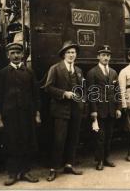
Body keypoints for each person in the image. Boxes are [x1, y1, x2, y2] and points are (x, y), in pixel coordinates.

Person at [0, 42, 41, 186]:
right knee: (12, 143)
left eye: (18, 53)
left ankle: (26, 172)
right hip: (10, 117)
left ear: (23, 55)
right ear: (8, 55)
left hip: (27, 116)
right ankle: (13, 173)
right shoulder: (2, 74)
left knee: (27, 142)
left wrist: (37, 114)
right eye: (12, 53)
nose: (16, 56)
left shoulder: (29, 73)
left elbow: (36, 95)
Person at [44, 40, 85, 181]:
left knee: (73, 139)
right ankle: (53, 168)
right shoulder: (55, 68)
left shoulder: (78, 71)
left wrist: (81, 102)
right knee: (59, 140)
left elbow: (81, 90)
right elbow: (48, 88)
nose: (71, 55)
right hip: (60, 110)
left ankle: (69, 165)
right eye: (68, 52)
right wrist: (64, 93)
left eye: (73, 52)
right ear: (63, 55)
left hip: (75, 110)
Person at [86, 45, 122, 170]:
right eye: (103, 55)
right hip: (99, 110)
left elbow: (117, 91)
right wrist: (93, 110)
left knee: (109, 135)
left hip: (111, 109)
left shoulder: (113, 72)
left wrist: (118, 108)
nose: (106, 57)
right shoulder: (92, 72)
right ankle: (99, 160)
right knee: (100, 137)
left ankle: (106, 158)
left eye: (107, 55)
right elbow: (91, 93)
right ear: (98, 57)